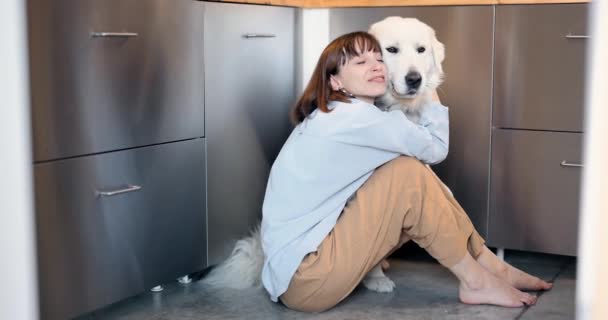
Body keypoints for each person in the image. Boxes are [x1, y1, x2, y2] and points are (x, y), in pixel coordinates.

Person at [260, 31, 552, 313]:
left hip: (298, 276)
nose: (376, 67)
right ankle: (477, 279)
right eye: (361, 62)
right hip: (308, 278)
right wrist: (428, 86)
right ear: (335, 80)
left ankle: (494, 269)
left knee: (409, 173)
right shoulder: (359, 119)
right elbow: (436, 149)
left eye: (378, 59)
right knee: (407, 172)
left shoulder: (335, 115)